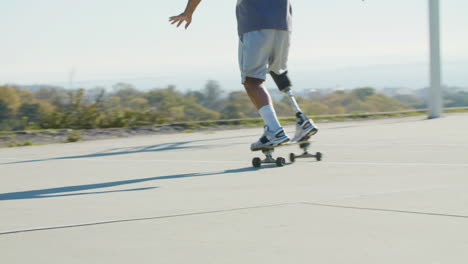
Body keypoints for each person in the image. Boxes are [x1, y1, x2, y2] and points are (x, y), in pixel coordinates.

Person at [169, 0, 318, 150]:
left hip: (256, 25)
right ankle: (303, 120)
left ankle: (274, 130)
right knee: (277, 71)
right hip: (283, 25)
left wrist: (188, 12)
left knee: (252, 81)